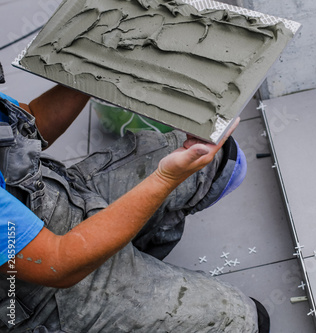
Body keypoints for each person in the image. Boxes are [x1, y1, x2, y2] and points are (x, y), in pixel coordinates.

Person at [0, 79, 270, 332]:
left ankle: (128, 266)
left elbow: (29, 123)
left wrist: (87, 69)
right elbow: (58, 262)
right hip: (34, 287)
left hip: (55, 197)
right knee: (242, 320)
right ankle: (117, 289)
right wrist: (165, 178)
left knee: (218, 161)